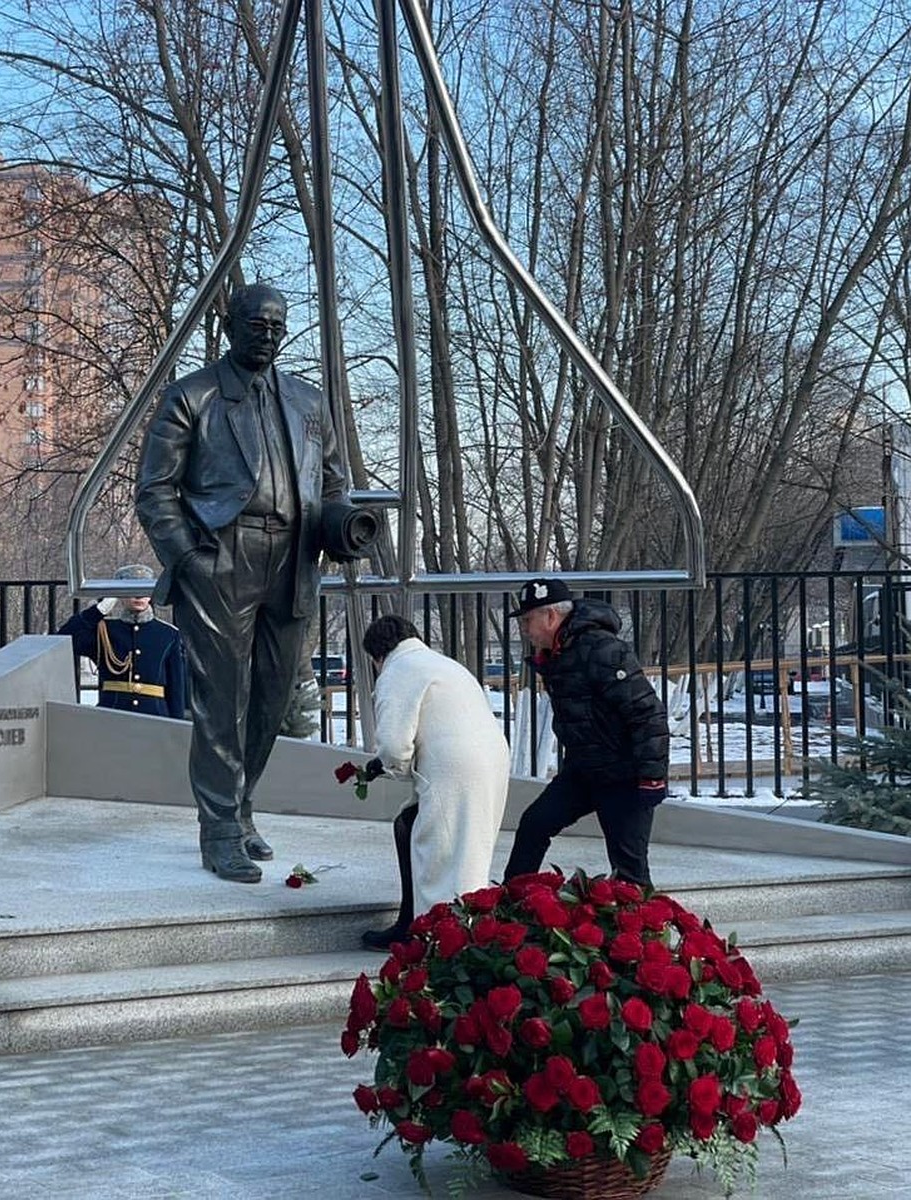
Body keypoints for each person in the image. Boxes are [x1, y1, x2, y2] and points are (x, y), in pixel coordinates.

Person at [136, 283, 353, 883]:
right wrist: (189, 557)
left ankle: (242, 803)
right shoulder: (194, 397)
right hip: (221, 555)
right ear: (230, 325)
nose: (268, 335)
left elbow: (334, 485)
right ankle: (220, 827)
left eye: (277, 327)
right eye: (256, 324)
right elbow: (155, 489)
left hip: (294, 555)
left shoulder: (308, 403)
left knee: (274, 698)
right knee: (220, 699)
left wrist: (344, 524)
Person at [502, 578, 669, 887]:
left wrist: (652, 776)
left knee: (630, 871)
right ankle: (513, 903)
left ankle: (644, 932)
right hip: (585, 770)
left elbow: (646, 712)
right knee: (534, 824)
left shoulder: (602, 649)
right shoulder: (558, 653)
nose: (524, 629)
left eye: (528, 620)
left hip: (624, 773)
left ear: (551, 616)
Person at [360, 614, 511, 950]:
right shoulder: (443, 664)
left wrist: (386, 766)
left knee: (442, 854)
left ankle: (435, 935)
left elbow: (394, 744)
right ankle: (414, 921)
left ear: (377, 656)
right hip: (492, 758)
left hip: (455, 767)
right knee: (444, 840)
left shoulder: (397, 671)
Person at [58, 563, 187, 720]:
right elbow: (63, 639)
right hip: (112, 716)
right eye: (131, 590)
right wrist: (98, 611)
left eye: (143, 590)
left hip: (155, 719)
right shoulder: (104, 630)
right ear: (118, 593)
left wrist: (176, 730)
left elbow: (176, 691)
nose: (138, 596)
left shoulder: (168, 634)